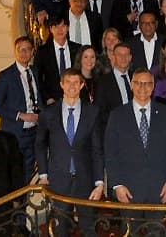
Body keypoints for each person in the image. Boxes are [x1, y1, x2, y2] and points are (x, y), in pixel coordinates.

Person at [104, 69, 166, 220]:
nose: (142, 87)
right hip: (128, 189)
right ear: (131, 85)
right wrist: (117, 185)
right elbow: (111, 153)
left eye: (147, 84)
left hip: (159, 189)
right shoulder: (117, 115)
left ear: (153, 87)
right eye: (138, 83)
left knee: (156, 231)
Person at [35, 69, 104, 236]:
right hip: (58, 179)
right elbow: (39, 144)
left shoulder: (92, 112)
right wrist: (43, 174)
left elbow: (96, 149)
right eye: (68, 82)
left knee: (89, 228)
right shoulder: (48, 112)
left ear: (82, 85)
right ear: (61, 84)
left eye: (76, 82)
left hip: (85, 180)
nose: (72, 86)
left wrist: (99, 182)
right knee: (60, 229)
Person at [0, 36, 42, 178]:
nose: (24, 52)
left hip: (34, 131)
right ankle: (14, 200)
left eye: (27, 49)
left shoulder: (35, 72)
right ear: (15, 52)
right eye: (21, 50)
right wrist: (20, 115)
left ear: (32, 52)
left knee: (29, 172)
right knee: (12, 173)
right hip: (14, 133)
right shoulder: (5, 76)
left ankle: (24, 200)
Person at [34, 14, 81, 105]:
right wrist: (47, 98)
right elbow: (37, 78)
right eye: (56, 26)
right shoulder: (42, 52)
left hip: (75, 98)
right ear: (51, 29)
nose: (60, 30)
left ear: (67, 28)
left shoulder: (78, 49)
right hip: (52, 101)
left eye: (63, 26)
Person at [94, 42, 134, 127]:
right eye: (119, 55)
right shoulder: (103, 81)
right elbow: (100, 110)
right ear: (113, 57)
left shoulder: (136, 77)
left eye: (126, 55)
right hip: (113, 127)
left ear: (130, 58)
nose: (123, 58)